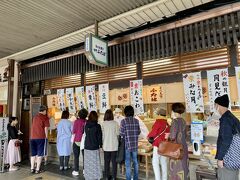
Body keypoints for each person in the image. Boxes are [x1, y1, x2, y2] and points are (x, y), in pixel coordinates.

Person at [214, 94, 240, 180]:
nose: (215, 107)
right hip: (235, 159)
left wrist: (220, 158)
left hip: (228, 160)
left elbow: (226, 140)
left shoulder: (225, 119)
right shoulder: (232, 117)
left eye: (215, 105)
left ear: (218, 105)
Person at [167, 103, 189, 180]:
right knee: (184, 167)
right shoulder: (184, 121)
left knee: (176, 169)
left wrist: (168, 136)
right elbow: (186, 135)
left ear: (174, 111)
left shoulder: (174, 121)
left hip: (176, 149)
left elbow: (172, 136)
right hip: (184, 147)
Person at [147, 109, 170, 180]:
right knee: (163, 162)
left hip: (158, 144)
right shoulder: (167, 123)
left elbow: (153, 133)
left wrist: (148, 136)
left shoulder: (158, 122)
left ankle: (158, 178)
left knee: (155, 162)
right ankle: (165, 178)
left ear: (159, 114)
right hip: (165, 144)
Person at [120, 106, 141, 180]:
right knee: (135, 162)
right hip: (135, 145)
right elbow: (138, 132)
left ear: (125, 113)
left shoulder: (123, 121)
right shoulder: (136, 121)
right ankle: (136, 178)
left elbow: (121, 134)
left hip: (127, 146)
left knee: (128, 163)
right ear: (132, 112)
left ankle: (128, 178)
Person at [30, 105, 50, 174]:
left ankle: (32, 168)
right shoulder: (45, 117)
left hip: (32, 137)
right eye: (46, 110)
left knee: (33, 154)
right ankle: (37, 169)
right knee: (40, 154)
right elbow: (46, 128)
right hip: (41, 138)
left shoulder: (35, 117)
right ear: (44, 110)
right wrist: (46, 137)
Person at [84, 111, 103, 180]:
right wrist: (101, 146)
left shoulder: (86, 125)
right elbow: (99, 137)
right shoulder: (97, 126)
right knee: (95, 162)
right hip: (94, 147)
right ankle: (96, 176)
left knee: (88, 163)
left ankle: (88, 177)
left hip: (87, 147)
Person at [102, 109, 119, 180]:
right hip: (114, 146)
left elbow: (102, 135)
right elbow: (118, 135)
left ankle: (106, 176)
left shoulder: (103, 124)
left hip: (106, 146)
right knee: (114, 162)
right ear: (112, 115)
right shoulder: (115, 123)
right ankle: (114, 177)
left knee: (106, 162)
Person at [72, 108, 88, 176]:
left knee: (76, 156)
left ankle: (76, 171)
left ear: (79, 115)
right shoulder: (87, 122)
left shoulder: (76, 121)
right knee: (85, 157)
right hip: (85, 141)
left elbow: (74, 131)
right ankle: (85, 170)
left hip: (76, 140)